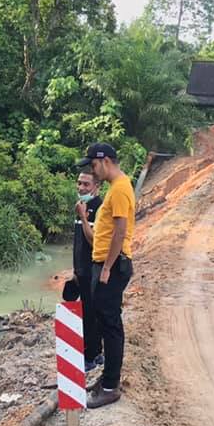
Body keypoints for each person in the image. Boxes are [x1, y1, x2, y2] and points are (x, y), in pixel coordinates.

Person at [76, 142, 135, 409]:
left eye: (94, 165)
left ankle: (111, 386)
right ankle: (107, 377)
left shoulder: (121, 188)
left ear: (106, 161)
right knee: (105, 320)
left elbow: (120, 231)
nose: (93, 170)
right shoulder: (115, 188)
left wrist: (108, 267)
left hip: (112, 265)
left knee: (110, 325)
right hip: (103, 263)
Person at [73, 170, 104, 372]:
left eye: (86, 184)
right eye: (79, 184)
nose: (82, 188)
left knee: (91, 313)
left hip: (93, 269)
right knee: (85, 311)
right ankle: (95, 352)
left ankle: (92, 356)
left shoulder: (99, 208)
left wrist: (84, 218)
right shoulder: (80, 206)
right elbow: (78, 242)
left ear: (97, 187)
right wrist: (75, 270)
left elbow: (94, 240)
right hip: (81, 270)